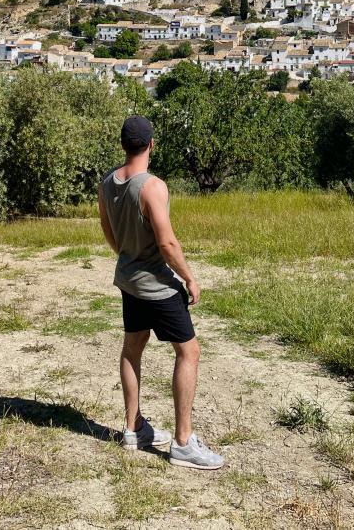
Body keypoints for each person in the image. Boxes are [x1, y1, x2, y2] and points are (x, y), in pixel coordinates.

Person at [98, 114, 224, 471]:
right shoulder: (153, 186)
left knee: (132, 349)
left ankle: (133, 428)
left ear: (124, 144)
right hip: (156, 285)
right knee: (189, 352)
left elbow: (108, 230)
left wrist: (126, 254)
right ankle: (183, 443)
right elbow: (167, 242)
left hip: (128, 280)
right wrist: (189, 278)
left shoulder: (108, 183)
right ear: (151, 144)